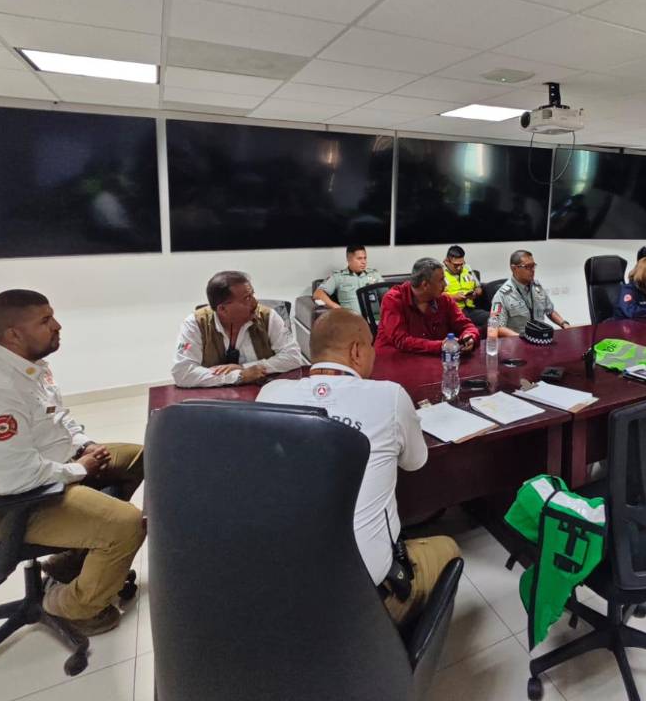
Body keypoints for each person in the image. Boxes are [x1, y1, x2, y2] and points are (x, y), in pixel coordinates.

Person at [0, 290, 145, 636]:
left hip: (44, 471)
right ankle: (71, 607)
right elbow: (17, 479)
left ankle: (71, 560)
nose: (57, 326)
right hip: (0, 506)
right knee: (127, 523)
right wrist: (82, 469)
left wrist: (84, 445)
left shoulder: (30, 368)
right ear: (13, 334)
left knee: (139, 456)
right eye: (45, 321)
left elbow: (57, 419)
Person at [256, 310, 460, 627]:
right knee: (448, 548)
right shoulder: (389, 396)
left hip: (278, 586)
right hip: (361, 596)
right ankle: (396, 639)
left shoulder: (271, 394)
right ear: (356, 351)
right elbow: (416, 462)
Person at [172, 271, 304, 387]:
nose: (255, 302)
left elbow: (293, 357)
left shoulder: (268, 316)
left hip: (263, 394)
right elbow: (182, 372)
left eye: (252, 295)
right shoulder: (195, 323)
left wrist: (245, 368)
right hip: (215, 400)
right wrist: (239, 376)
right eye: (247, 298)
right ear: (222, 309)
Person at [375, 257, 480, 355]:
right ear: (425, 285)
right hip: (393, 361)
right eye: (441, 280)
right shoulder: (393, 300)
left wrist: (470, 337)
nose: (445, 285)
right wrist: (440, 346)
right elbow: (401, 341)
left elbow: (467, 326)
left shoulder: (444, 300)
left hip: (431, 362)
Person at [489, 249, 570, 336]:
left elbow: (550, 311)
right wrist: (521, 337)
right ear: (514, 268)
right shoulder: (501, 295)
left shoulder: (537, 287)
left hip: (540, 337)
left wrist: (564, 323)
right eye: (528, 266)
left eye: (533, 266)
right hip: (518, 343)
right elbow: (496, 327)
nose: (532, 270)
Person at [314, 244, 384, 315]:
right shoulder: (339, 277)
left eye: (365, 258)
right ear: (349, 259)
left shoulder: (374, 275)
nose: (363, 262)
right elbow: (318, 294)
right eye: (359, 258)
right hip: (351, 321)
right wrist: (336, 307)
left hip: (375, 320)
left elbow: (387, 295)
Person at [442, 244, 488, 329]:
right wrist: (453, 297)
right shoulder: (439, 273)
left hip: (470, 309)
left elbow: (478, 286)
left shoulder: (467, 268)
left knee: (492, 319)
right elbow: (434, 296)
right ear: (447, 261)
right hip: (452, 311)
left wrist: (477, 292)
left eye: (461, 264)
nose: (459, 268)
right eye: (456, 265)